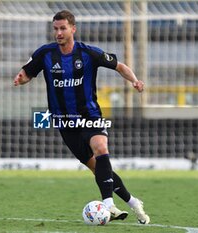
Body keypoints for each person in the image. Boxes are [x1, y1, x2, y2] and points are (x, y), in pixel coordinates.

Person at [14, 10, 150, 224]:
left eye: (62, 28)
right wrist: (21, 78)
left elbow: (119, 66)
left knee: (101, 147)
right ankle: (133, 202)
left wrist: (134, 81)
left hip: (89, 115)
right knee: (99, 169)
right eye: (55, 29)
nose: (58, 33)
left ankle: (108, 205)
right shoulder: (46, 54)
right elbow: (27, 72)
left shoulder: (88, 53)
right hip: (65, 122)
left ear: (73, 29)